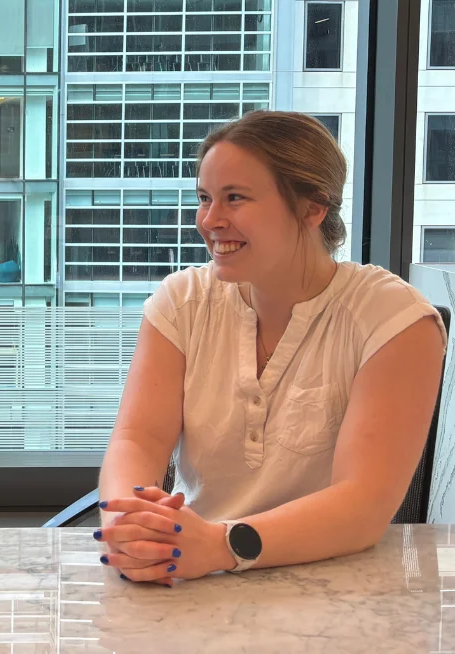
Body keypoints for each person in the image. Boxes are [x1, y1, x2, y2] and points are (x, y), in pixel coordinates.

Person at [95, 111, 447, 586]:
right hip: (194, 575)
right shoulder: (181, 302)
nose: (209, 220)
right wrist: (131, 525)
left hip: (337, 588)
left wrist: (221, 545)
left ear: (312, 207)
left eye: (235, 198)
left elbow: (363, 503)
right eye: (204, 198)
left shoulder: (394, 319)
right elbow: (138, 439)